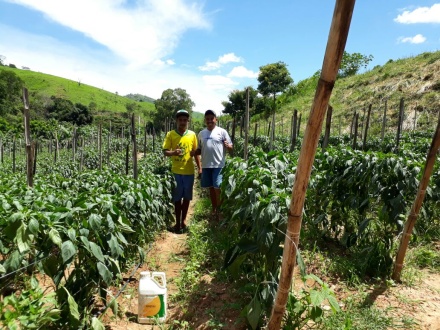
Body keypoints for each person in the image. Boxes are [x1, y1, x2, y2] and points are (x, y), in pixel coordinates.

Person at [163, 109, 201, 233]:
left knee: (187, 198)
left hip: (189, 171)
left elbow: (196, 153)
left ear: (188, 121)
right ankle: (177, 222)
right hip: (176, 171)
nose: (183, 122)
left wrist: (199, 167)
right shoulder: (171, 134)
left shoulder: (192, 135)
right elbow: (165, 151)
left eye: (185, 120)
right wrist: (173, 152)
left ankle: (183, 221)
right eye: (180, 120)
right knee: (177, 198)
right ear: (177, 121)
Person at [195, 109, 233, 217]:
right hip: (206, 165)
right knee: (211, 188)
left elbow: (231, 147)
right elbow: (199, 149)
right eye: (207, 119)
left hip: (218, 165)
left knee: (218, 189)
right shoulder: (201, 134)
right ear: (205, 120)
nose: (209, 120)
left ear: (216, 119)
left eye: (212, 118)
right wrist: (193, 152)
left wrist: (228, 146)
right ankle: (214, 210)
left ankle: (220, 212)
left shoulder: (222, 132)